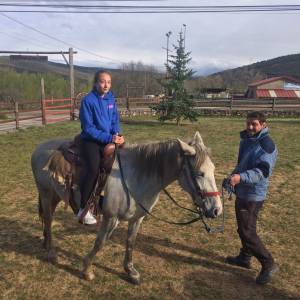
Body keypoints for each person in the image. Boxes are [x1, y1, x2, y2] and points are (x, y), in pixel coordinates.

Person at [225, 111, 279, 285]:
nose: (249, 127)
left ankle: (268, 263)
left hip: (253, 195)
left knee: (247, 231)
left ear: (263, 124)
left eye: (254, 124)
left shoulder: (266, 145)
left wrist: (240, 178)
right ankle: (245, 257)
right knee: (243, 228)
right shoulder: (247, 140)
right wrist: (233, 176)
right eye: (248, 123)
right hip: (242, 191)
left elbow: (262, 172)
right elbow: (243, 165)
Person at [78, 70, 125, 224]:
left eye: (109, 82)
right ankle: (83, 209)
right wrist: (109, 137)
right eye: (103, 81)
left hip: (108, 138)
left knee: (122, 165)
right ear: (96, 83)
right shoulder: (88, 101)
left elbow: (114, 120)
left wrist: (117, 135)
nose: (106, 85)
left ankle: (109, 204)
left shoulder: (111, 99)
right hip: (91, 140)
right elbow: (88, 128)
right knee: (93, 168)